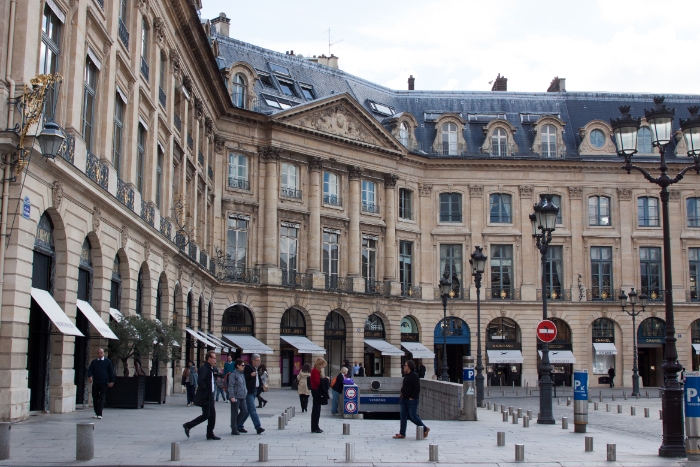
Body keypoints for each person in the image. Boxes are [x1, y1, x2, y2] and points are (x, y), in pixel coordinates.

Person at [183, 351, 220, 440]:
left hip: (210, 395)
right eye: (214, 358)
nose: (215, 360)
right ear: (209, 359)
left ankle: (210, 433)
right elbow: (201, 381)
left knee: (212, 416)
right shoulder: (204, 368)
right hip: (206, 396)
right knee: (206, 415)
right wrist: (207, 391)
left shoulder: (211, 368)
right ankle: (188, 425)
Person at [394, 360, 429, 439]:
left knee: (412, 416)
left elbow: (417, 388)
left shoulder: (414, 375)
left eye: (405, 366)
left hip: (411, 400)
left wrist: (412, 397)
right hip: (404, 399)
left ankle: (425, 428)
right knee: (403, 416)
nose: (404, 367)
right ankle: (402, 433)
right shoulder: (407, 375)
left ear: (409, 367)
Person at [238, 354, 265, 434]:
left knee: (247, 410)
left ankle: (238, 424)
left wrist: (260, 387)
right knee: (252, 409)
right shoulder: (247, 368)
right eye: (257, 360)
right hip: (248, 391)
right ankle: (258, 427)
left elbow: (258, 379)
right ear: (253, 360)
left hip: (254, 391)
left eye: (259, 360)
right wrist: (250, 375)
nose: (258, 362)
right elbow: (243, 377)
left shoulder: (256, 369)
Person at [87, 348, 114, 419]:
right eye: (98, 353)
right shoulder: (94, 362)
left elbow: (111, 372)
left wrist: (112, 381)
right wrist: (90, 376)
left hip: (103, 382)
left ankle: (99, 413)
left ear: (103, 353)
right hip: (96, 382)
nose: (99, 354)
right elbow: (90, 370)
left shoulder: (107, 362)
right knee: (95, 397)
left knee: (102, 398)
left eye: (101, 353)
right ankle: (96, 412)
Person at [227, 359, 247, 435]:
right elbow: (231, 386)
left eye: (244, 365)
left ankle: (234, 425)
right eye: (242, 365)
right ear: (237, 366)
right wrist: (231, 396)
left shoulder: (242, 374)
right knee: (234, 413)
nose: (244, 366)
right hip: (236, 396)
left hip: (242, 396)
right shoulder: (233, 374)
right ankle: (234, 428)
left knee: (244, 411)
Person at [310, 357, 328, 433]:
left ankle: (315, 426)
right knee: (316, 410)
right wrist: (325, 379)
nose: (323, 367)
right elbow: (317, 382)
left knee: (316, 409)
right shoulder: (315, 371)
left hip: (315, 390)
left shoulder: (314, 370)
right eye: (323, 365)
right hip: (316, 390)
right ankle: (315, 427)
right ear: (320, 364)